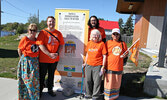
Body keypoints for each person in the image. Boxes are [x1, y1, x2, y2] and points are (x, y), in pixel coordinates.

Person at [36, 16, 64, 97]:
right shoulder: (43, 32)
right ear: (47, 22)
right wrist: (49, 54)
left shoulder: (58, 33)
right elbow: (40, 45)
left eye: (53, 21)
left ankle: (50, 89)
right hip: (44, 59)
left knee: (51, 75)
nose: (51, 23)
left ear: (55, 23)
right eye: (50, 21)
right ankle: (40, 91)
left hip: (54, 59)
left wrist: (57, 53)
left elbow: (61, 44)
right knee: (42, 76)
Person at [103, 28, 128, 100]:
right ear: (111, 35)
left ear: (119, 35)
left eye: (117, 34)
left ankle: (114, 97)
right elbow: (104, 54)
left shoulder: (123, 44)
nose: (115, 35)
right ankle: (107, 97)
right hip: (109, 67)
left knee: (116, 83)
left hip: (118, 67)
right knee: (108, 83)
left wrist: (124, 55)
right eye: (114, 34)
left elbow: (126, 53)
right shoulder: (107, 43)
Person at [17, 23, 40, 100]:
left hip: (35, 62)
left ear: (36, 31)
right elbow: (19, 49)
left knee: (34, 80)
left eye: (34, 30)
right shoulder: (25, 39)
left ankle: (34, 97)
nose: (32, 32)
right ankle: (26, 97)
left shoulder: (37, 40)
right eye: (30, 30)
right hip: (26, 62)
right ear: (28, 30)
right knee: (27, 80)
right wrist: (22, 59)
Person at [83, 29, 107, 100]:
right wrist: (85, 62)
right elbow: (87, 54)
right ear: (91, 36)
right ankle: (88, 94)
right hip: (88, 65)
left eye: (97, 35)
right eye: (93, 34)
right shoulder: (89, 43)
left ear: (99, 36)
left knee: (97, 82)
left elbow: (104, 56)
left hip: (98, 65)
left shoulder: (102, 44)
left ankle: (95, 96)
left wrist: (103, 66)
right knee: (88, 80)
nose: (95, 36)